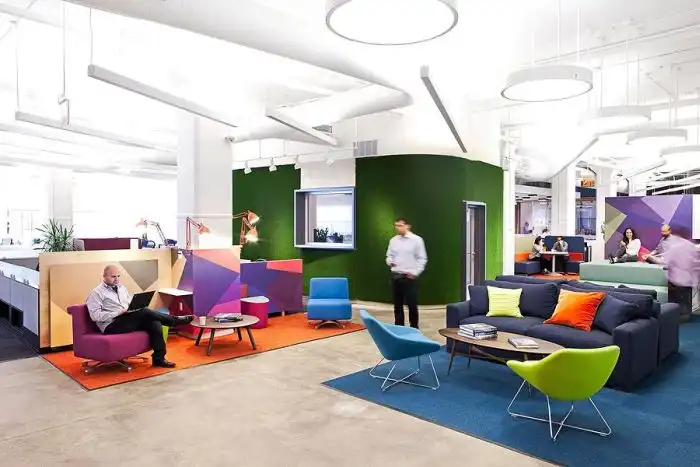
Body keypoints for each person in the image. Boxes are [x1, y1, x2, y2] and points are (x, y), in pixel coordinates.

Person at [86, 265, 194, 368]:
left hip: (125, 319)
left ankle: (159, 359)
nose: (117, 279)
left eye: (118, 276)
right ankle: (174, 321)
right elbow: (95, 316)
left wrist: (133, 307)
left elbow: (127, 303)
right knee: (144, 312)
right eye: (113, 276)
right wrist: (118, 312)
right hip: (110, 325)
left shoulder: (121, 288)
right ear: (104, 276)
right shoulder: (96, 293)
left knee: (154, 322)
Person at [386, 218, 427, 329]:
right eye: (396, 225)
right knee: (397, 306)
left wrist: (415, 273)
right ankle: (399, 328)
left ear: (407, 226)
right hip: (396, 276)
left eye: (400, 225)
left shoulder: (417, 240)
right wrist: (389, 262)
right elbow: (389, 255)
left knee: (412, 305)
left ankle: (414, 328)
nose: (397, 228)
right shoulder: (393, 240)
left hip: (409, 277)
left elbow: (422, 258)